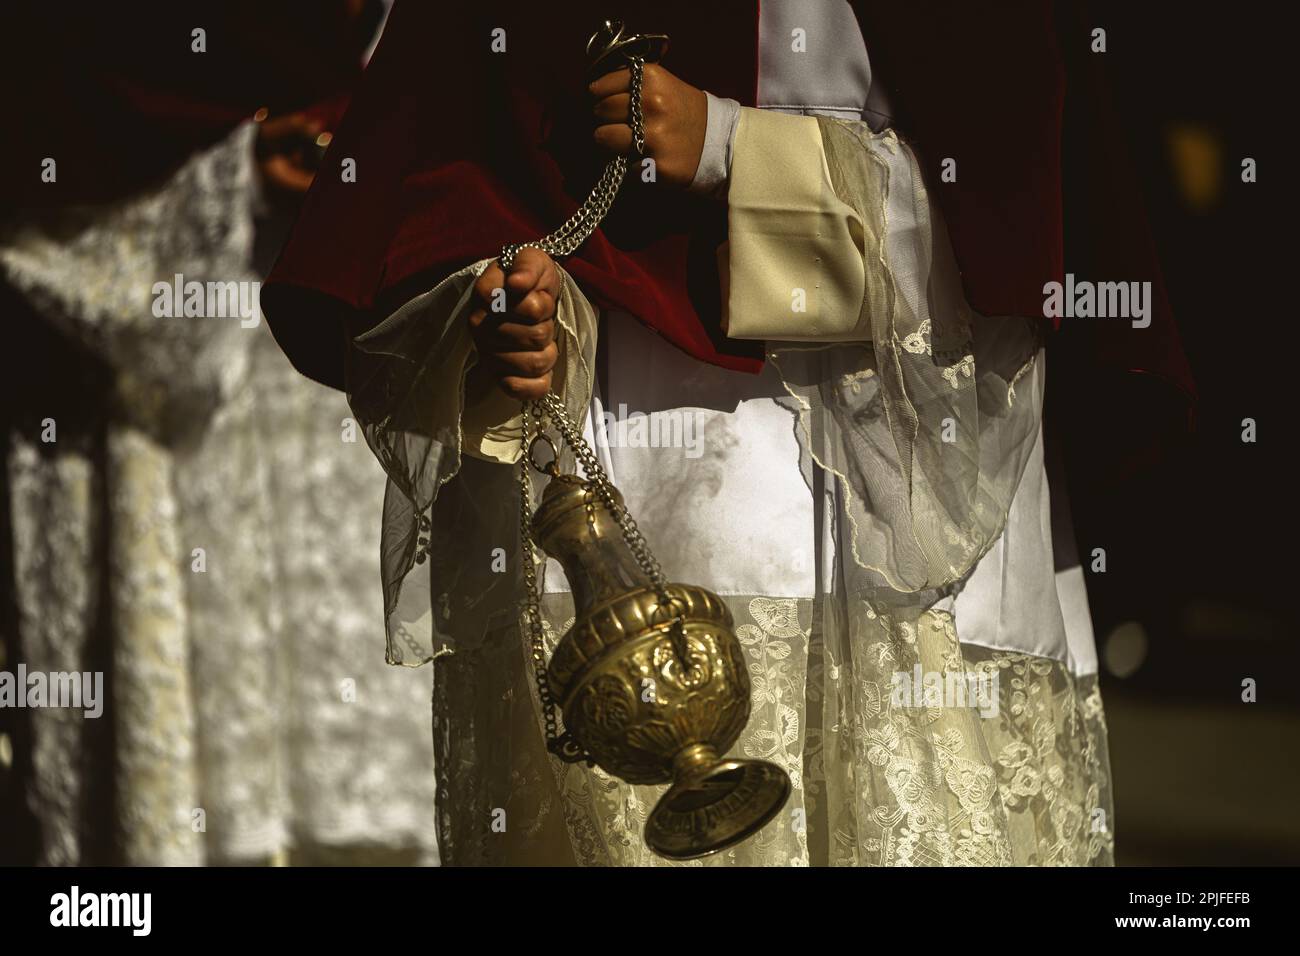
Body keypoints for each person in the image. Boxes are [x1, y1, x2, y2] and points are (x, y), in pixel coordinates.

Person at [264, 1, 1193, 866]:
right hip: (641, 461)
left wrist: (736, 149)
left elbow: (1010, 213)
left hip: (921, 470)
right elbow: (454, 176)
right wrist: (516, 318)